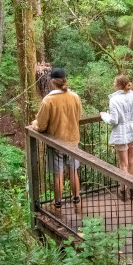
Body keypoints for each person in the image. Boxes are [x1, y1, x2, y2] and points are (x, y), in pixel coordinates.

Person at [32, 68, 83, 216]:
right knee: (74, 171)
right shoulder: (74, 97)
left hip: (56, 143)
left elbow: (41, 125)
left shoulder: (48, 100)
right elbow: (78, 116)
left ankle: (58, 206)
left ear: (52, 82)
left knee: (58, 174)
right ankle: (77, 204)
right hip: (73, 141)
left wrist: (34, 124)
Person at [102, 75, 133, 201]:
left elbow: (113, 120)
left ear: (118, 85)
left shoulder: (114, 100)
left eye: (114, 82)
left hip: (121, 132)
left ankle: (122, 190)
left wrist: (104, 116)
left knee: (123, 164)